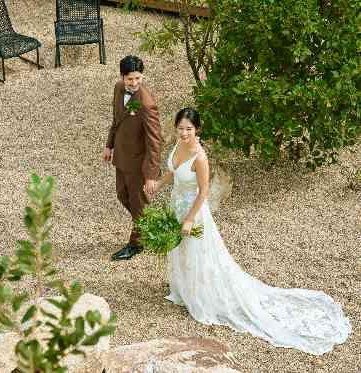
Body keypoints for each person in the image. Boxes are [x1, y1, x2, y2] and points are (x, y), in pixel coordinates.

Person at [148, 107, 351, 355]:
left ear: (197, 129)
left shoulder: (200, 157)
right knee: (179, 250)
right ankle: (183, 290)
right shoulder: (178, 146)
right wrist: (159, 184)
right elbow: (172, 171)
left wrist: (190, 218)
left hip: (193, 211)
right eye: (180, 128)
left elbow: (203, 192)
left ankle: (200, 297)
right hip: (176, 205)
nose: (183, 133)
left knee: (197, 252)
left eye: (188, 129)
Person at [104, 55, 161, 261]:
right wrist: (109, 145)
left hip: (139, 164)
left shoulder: (146, 104)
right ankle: (146, 225)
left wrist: (151, 175)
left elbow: (155, 141)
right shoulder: (119, 88)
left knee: (139, 205)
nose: (134, 83)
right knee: (122, 196)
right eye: (130, 79)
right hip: (121, 156)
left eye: (138, 78)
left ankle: (136, 244)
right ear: (122, 77)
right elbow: (116, 119)